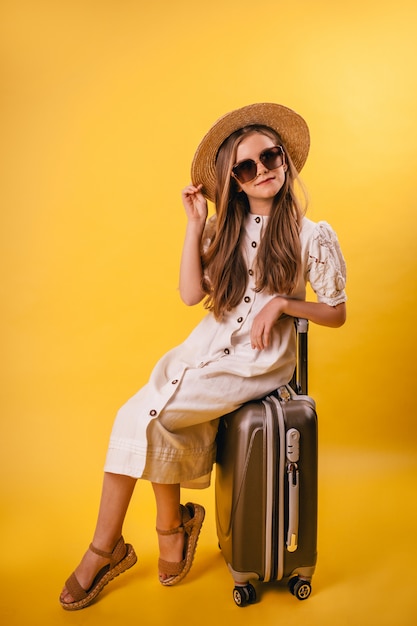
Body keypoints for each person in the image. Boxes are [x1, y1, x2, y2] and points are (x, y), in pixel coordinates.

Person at [59, 102, 347, 610]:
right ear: (234, 180)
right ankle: (173, 528)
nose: (263, 171)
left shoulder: (310, 234)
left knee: (140, 415)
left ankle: (106, 549)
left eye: (271, 156)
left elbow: (336, 312)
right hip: (206, 350)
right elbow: (191, 295)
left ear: (285, 159)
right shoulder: (225, 231)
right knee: (156, 414)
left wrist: (283, 302)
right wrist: (194, 225)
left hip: (256, 363)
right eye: (246, 166)